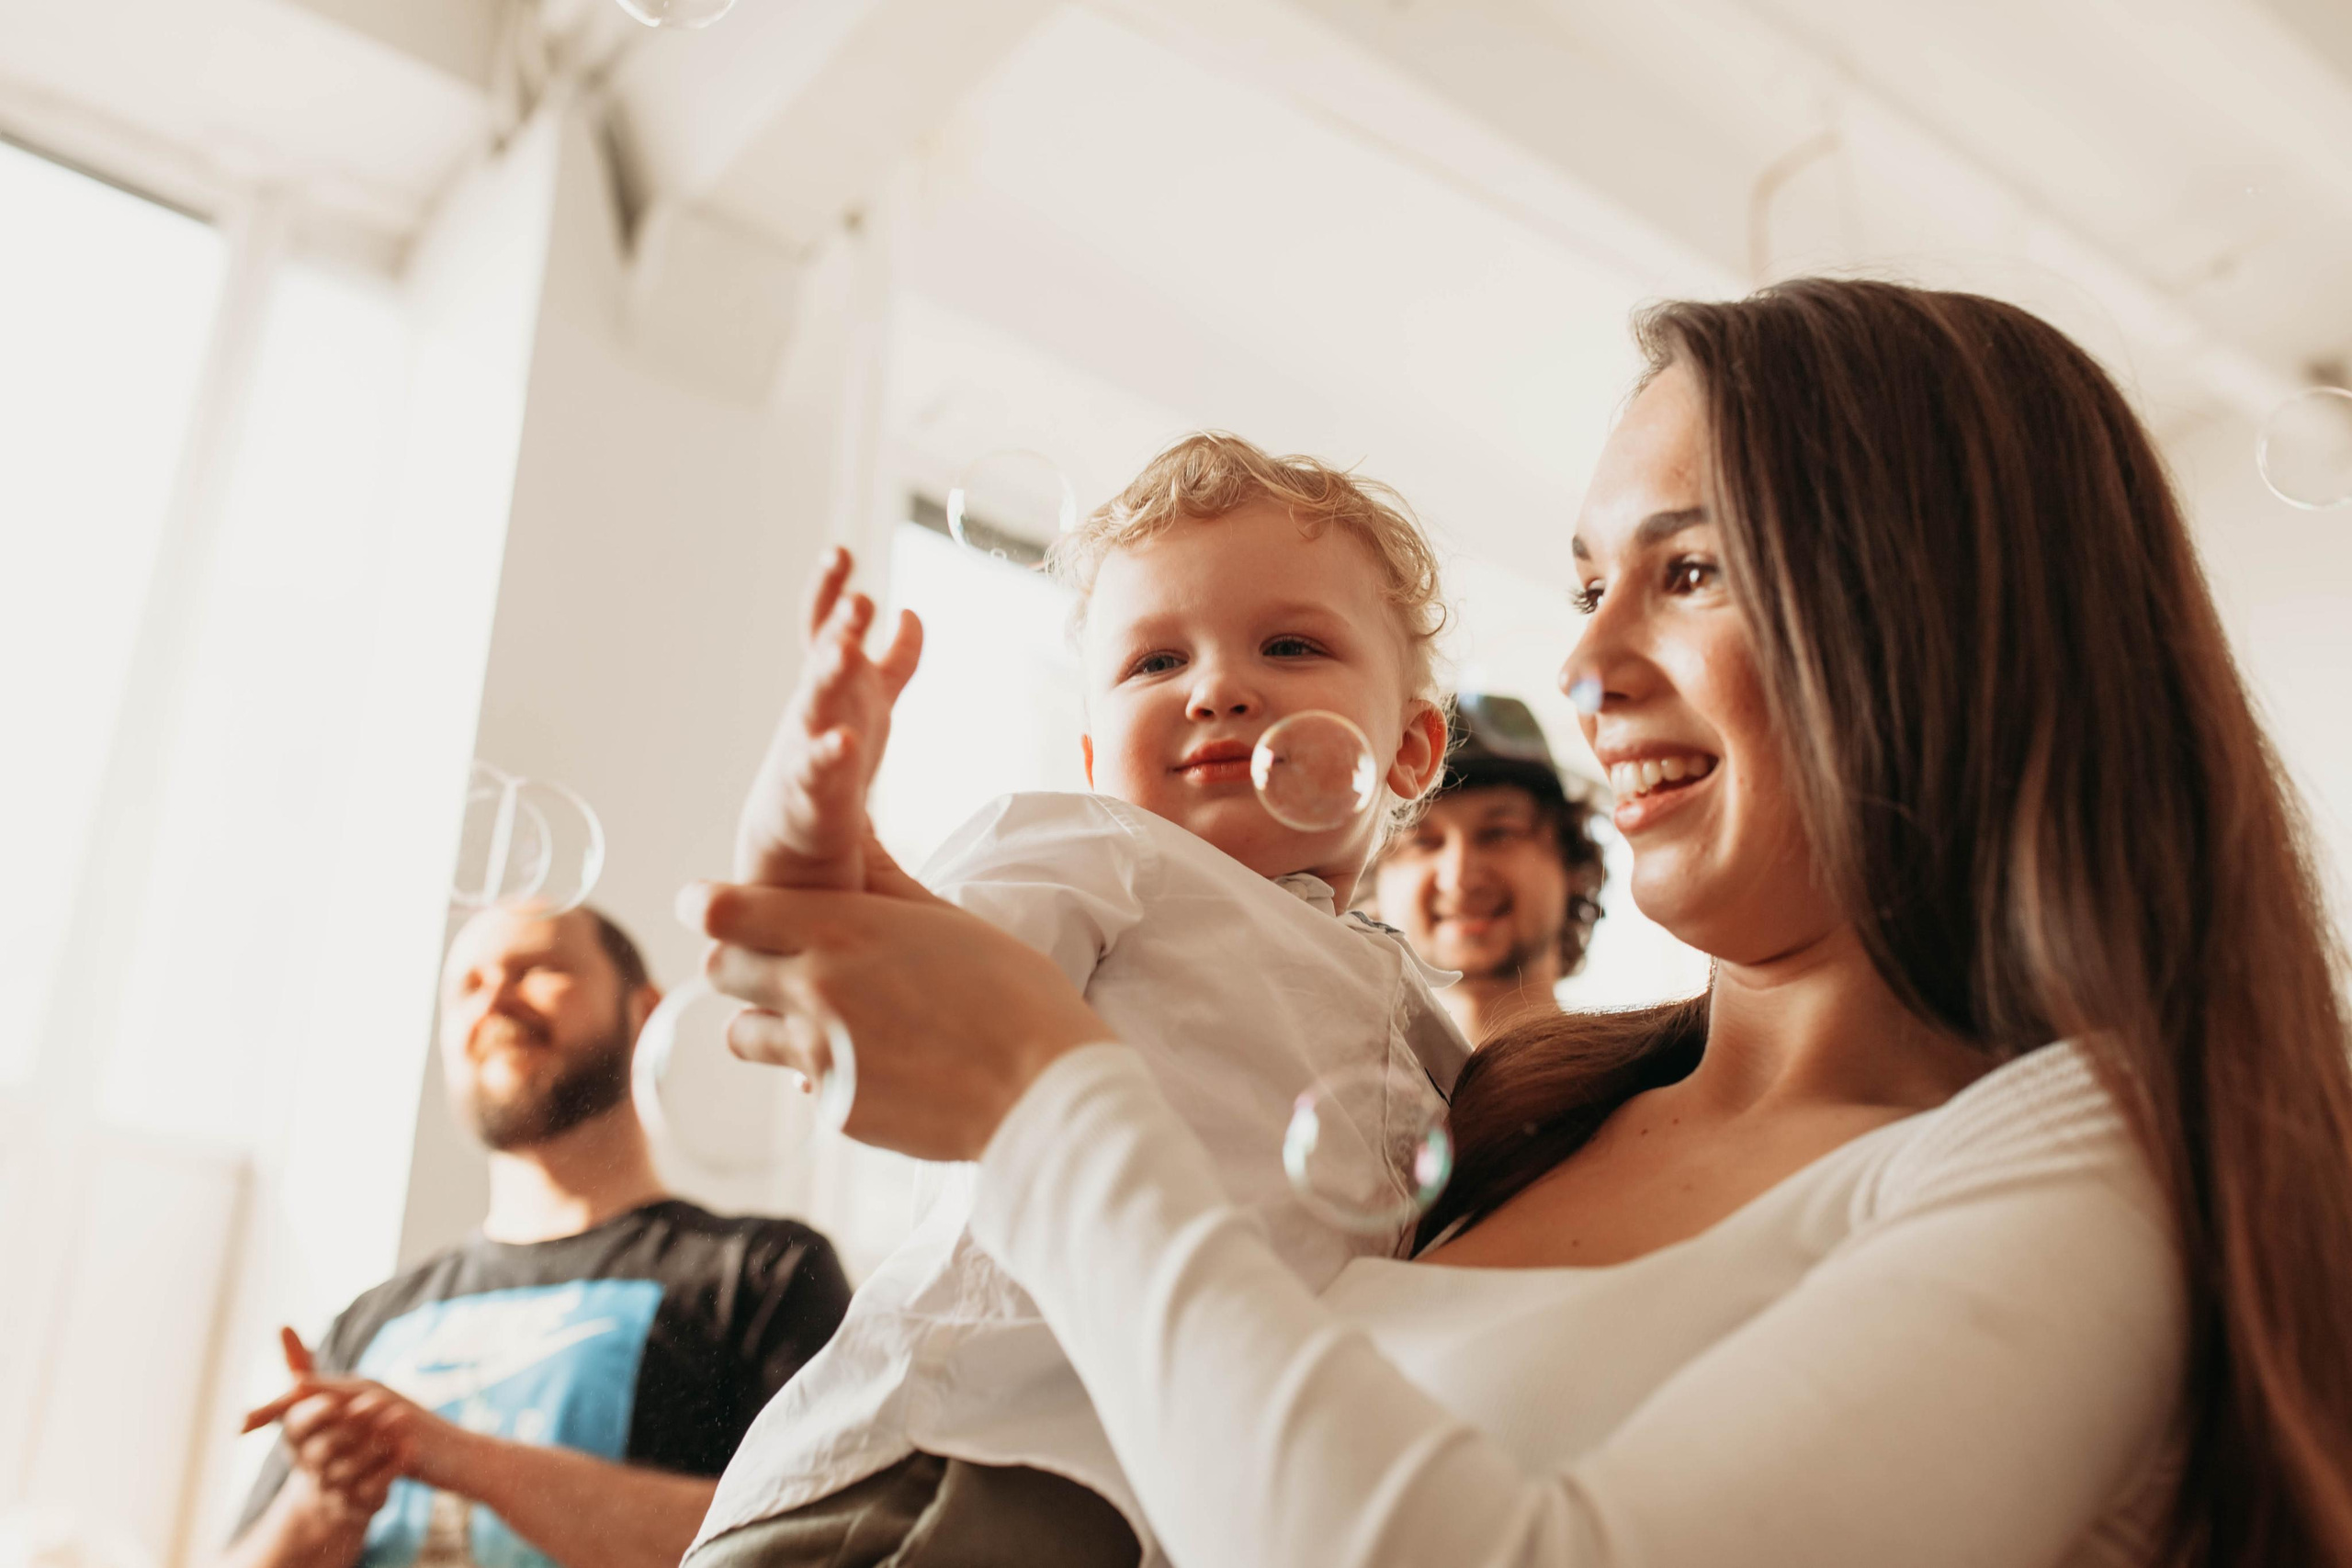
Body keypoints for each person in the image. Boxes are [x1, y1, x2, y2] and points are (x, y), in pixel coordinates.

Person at [684, 277, 2352, 1566]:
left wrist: (1043, 1095)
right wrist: (851, 932)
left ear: (1933, 613)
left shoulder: (2090, 1156)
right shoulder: (1507, 1112)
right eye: (1587, 586)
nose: (1583, 664)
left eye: (1687, 572)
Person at [687, 434, 1470, 1565]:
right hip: (951, 1456)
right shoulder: (1092, 851)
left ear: (1411, 748)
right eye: (1155, 662)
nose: (1216, 688)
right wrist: (810, 857)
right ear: (1098, 759)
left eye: (1290, 646)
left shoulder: (1420, 1017)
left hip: (1177, 1501)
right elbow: (910, 996)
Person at [224, 903, 853, 1568]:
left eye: (536, 969)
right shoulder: (370, 1321)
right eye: (467, 986)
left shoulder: (766, 1272)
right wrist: (320, 1506)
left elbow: (816, 1540)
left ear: (644, 1012)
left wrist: (456, 1455)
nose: (493, 997)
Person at [1369, 692, 1606, 1043]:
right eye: (1423, 841)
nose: (1459, 877)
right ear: (1374, 879)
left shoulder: (1649, 1075)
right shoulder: (1329, 1075)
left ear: (1570, 862)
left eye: (1499, 833)